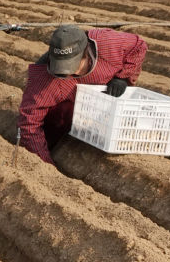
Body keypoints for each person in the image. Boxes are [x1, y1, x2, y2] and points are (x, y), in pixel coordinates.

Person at [17, 25, 147, 164]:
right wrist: (44, 163)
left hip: (104, 106)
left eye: (72, 66)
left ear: (86, 53)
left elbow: (139, 46)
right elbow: (29, 123)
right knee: (60, 114)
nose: (67, 73)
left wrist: (123, 78)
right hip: (72, 112)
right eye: (60, 67)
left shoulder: (107, 43)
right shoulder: (44, 77)